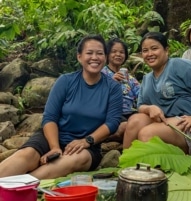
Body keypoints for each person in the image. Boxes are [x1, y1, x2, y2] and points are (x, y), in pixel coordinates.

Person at [0, 34, 123, 180]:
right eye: (89, 53)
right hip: (52, 137)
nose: (94, 57)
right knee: (26, 155)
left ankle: (21, 185)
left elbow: (112, 123)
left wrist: (86, 141)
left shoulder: (113, 87)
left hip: (88, 146)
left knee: (74, 160)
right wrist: (54, 147)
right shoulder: (66, 81)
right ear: (79, 57)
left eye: (99, 53)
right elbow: (50, 117)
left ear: (105, 57)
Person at [123, 32, 191, 155]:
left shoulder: (179, 65)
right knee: (135, 121)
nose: (149, 54)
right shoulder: (147, 78)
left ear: (166, 50)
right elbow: (141, 105)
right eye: (145, 50)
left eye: (154, 48)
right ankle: (125, 165)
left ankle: (150, 172)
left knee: (147, 134)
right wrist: (150, 108)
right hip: (170, 120)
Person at [101, 38, 140, 142]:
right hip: (111, 113)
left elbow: (141, 94)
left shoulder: (129, 78)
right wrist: (111, 83)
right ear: (107, 54)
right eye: (114, 51)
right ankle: (103, 137)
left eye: (121, 52)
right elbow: (95, 95)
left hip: (130, 113)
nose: (118, 54)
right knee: (126, 126)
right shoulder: (101, 74)